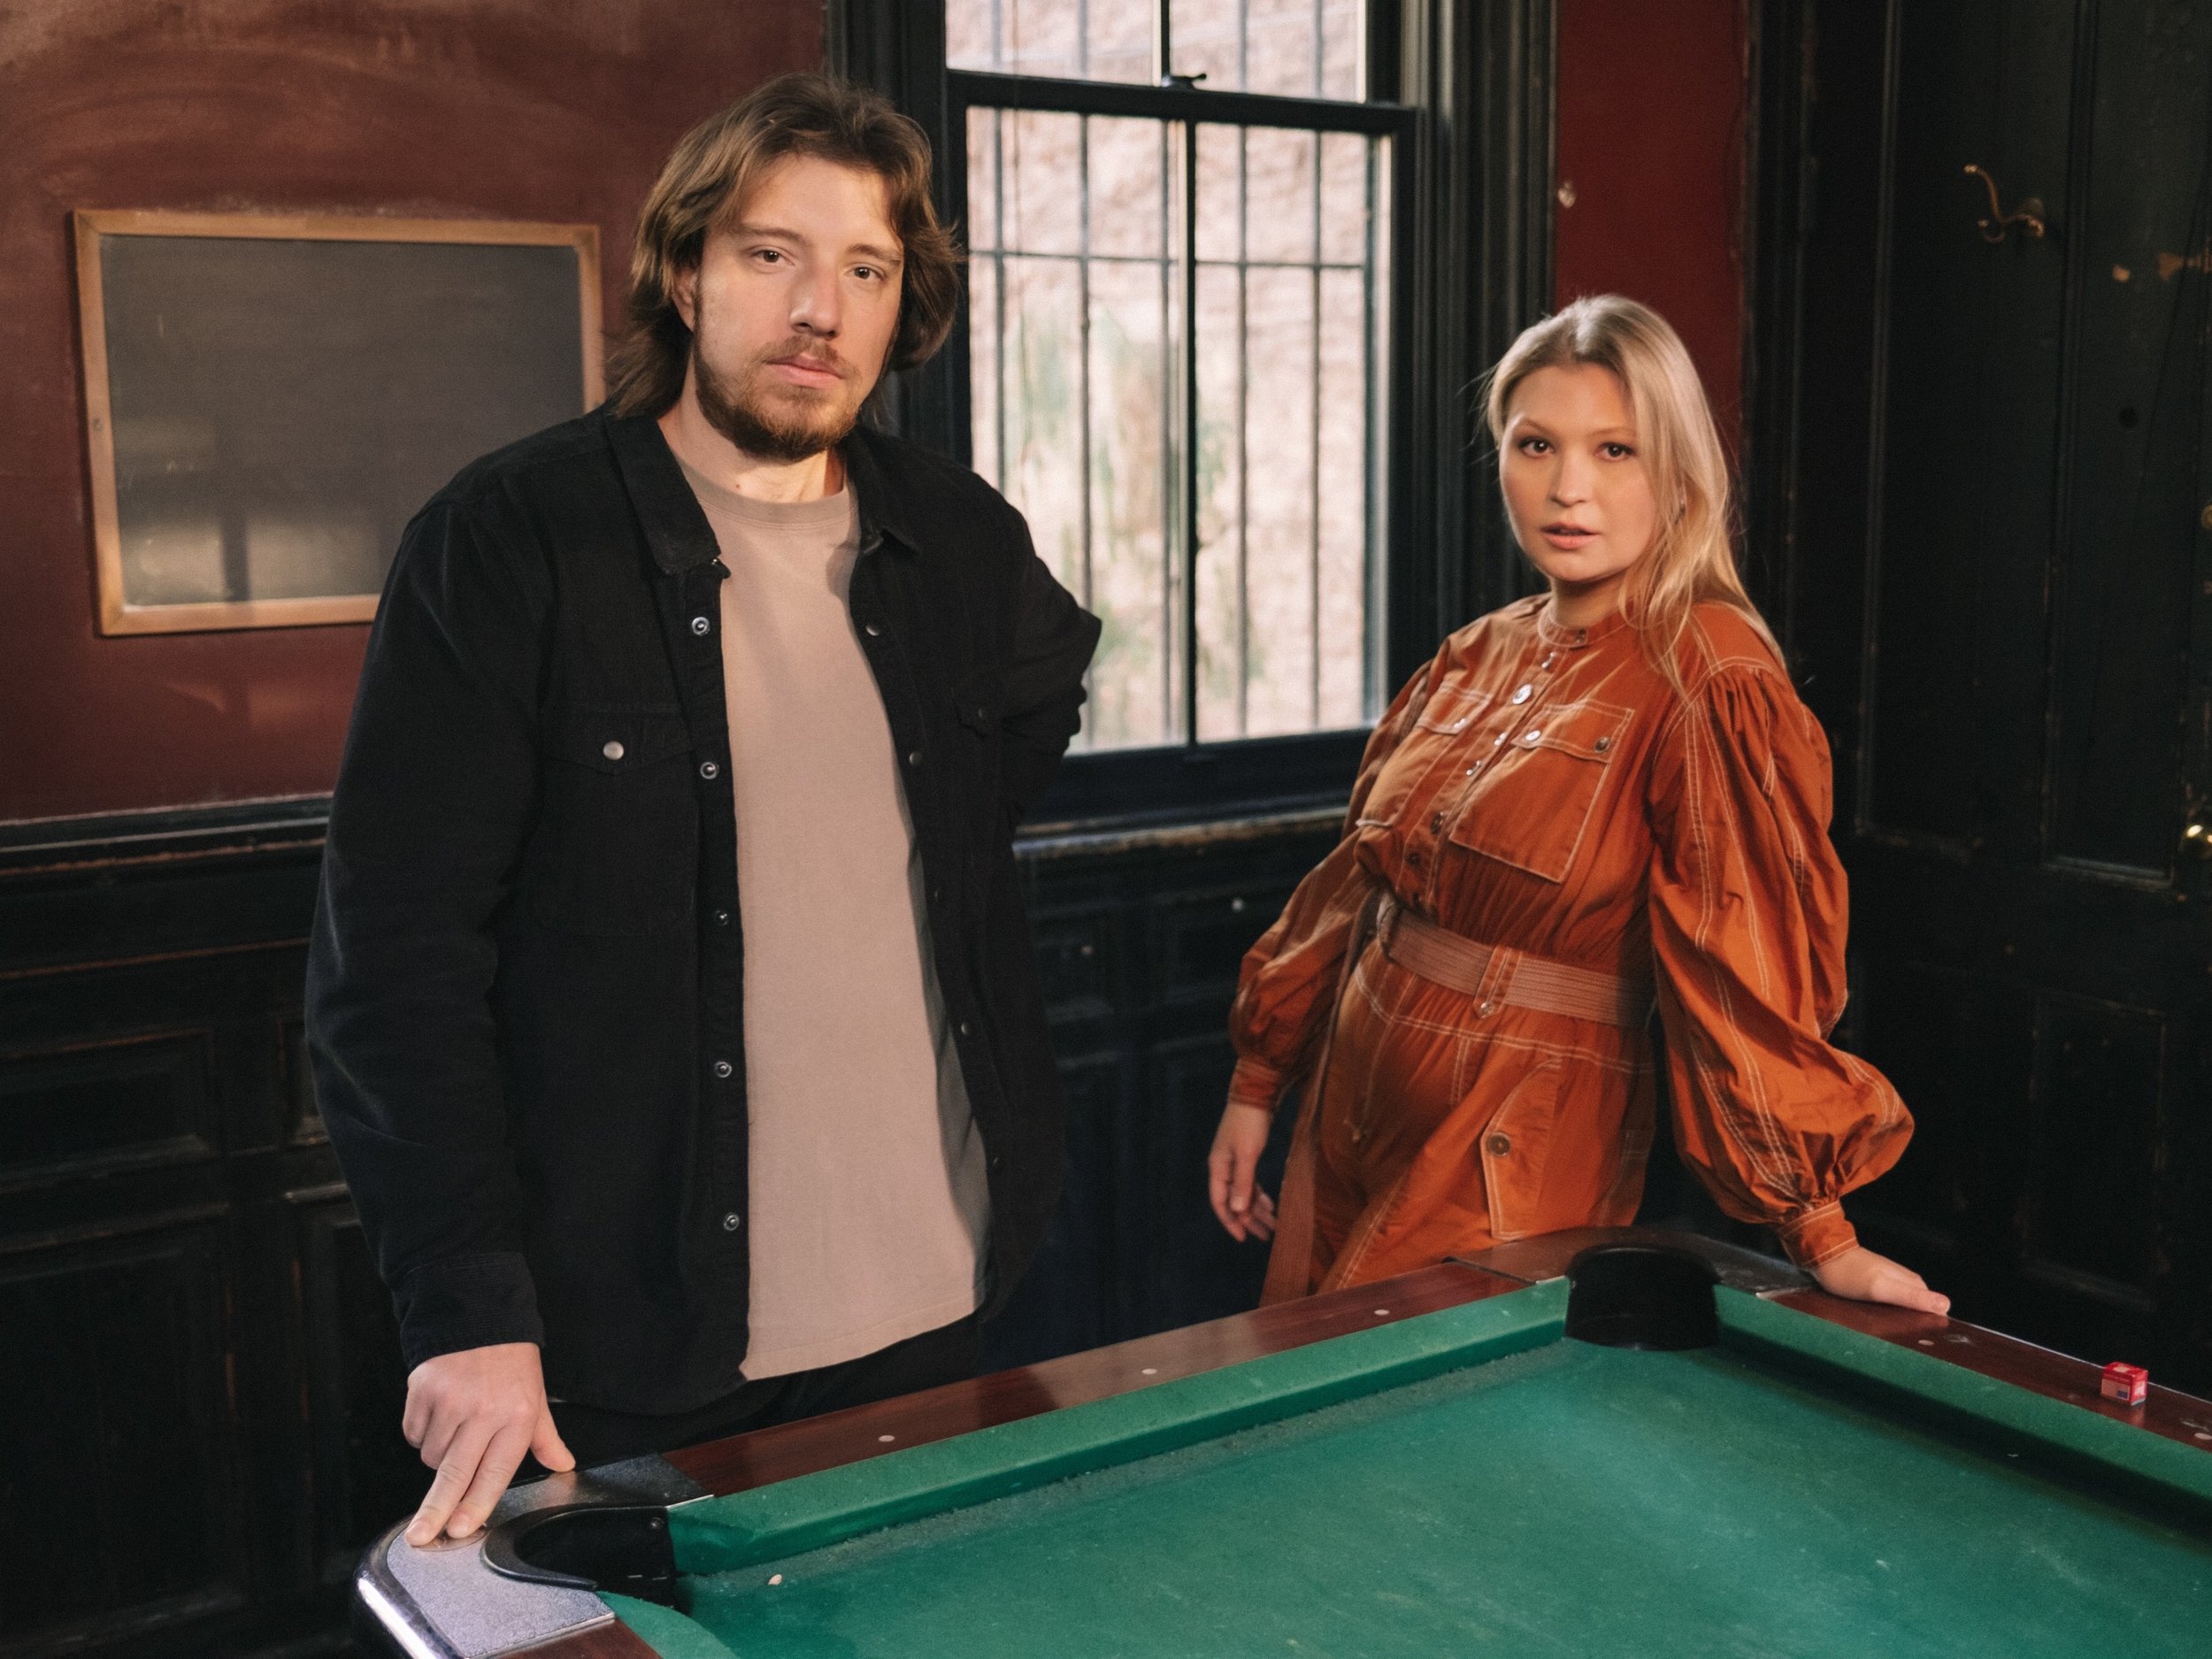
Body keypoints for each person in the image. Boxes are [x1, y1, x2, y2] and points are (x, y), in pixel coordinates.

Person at [307, 73, 1100, 1548]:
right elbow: (392, 967)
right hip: (623, 1342)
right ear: (684, 273)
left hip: (942, 1298)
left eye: (865, 268)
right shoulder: (507, 542)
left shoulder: (958, 536)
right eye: (769, 253)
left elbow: (1043, 706)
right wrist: (466, 1309)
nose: (821, 307)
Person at [1205, 295, 1947, 1316]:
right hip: (1350, 1107)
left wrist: (1816, 1229)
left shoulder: (1709, 680)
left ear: (1679, 472)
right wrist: (1259, 1078)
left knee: (1417, 1438)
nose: (1567, 489)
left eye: (1614, 451)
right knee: (1291, 1397)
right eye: (1535, 443)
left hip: (1513, 1134)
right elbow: (1355, 882)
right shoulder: (1480, 651)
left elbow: (1741, 969)